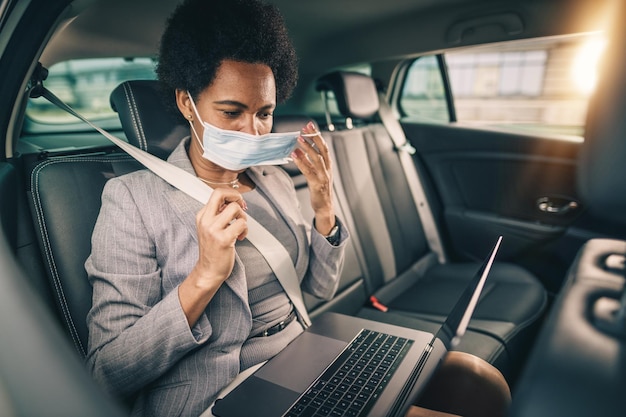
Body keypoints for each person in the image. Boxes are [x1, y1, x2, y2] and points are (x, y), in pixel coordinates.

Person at [85, 1, 510, 416]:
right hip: (220, 392)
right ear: (186, 103)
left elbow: (317, 291)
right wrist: (203, 278)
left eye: (264, 113)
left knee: (480, 383)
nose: (252, 132)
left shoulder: (273, 179)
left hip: (305, 356)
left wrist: (324, 207)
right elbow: (107, 371)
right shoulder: (133, 199)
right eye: (231, 111)